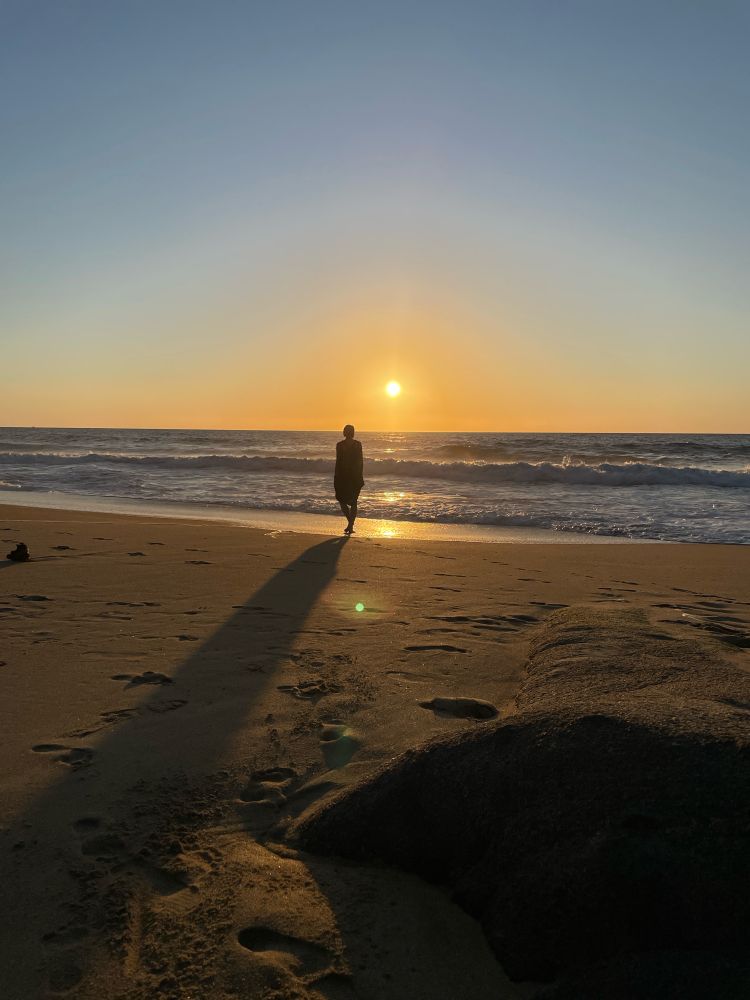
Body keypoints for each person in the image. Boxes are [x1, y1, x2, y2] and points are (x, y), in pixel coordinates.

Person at [334, 424, 364, 534]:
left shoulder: (340, 445)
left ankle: (350, 524)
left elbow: (338, 462)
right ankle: (350, 525)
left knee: (342, 500)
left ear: (344, 432)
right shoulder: (357, 445)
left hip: (342, 476)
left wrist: (336, 476)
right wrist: (360, 476)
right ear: (353, 432)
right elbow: (360, 462)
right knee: (353, 502)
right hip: (354, 476)